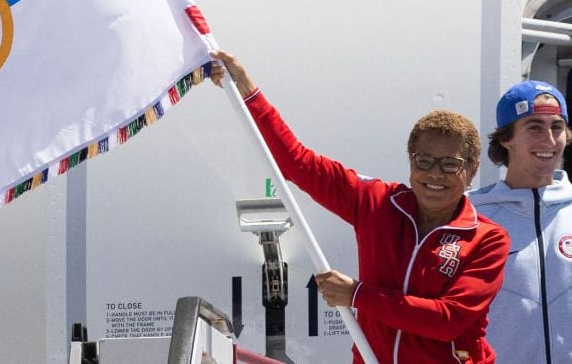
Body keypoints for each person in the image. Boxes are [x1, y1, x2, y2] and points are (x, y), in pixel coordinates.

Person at [210, 50, 509, 363]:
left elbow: (447, 321)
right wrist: (246, 90)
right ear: (411, 162)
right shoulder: (376, 202)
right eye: (424, 161)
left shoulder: (488, 238)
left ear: (472, 169)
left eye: (450, 164)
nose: (435, 174)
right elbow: (295, 162)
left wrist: (357, 295)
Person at [468, 80, 572, 363]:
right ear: (505, 138)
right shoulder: (470, 215)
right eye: (534, 127)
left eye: (557, 127)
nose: (549, 140)